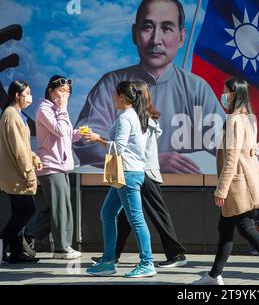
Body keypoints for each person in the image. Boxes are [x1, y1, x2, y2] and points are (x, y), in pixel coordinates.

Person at [74, 0, 225, 173]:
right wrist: (149, 161)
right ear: (134, 34)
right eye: (147, 27)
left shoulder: (197, 89)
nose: (155, 40)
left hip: (184, 191)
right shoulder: (111, 84)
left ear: (182, 37)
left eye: (167, 28)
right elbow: (84, 141)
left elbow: (226, 144)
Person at [193, 77, 259, 285]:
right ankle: (214, 275)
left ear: (235, 94)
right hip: (244, 180)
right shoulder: (249, 118)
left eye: (226, 91)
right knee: (226, 229)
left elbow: (231, 158)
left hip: (238, 184)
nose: (223, 95)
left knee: (245, 227)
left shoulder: (234, 121)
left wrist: (221, 189)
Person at [91, 80, 187, 267]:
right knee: (120, 215)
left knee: (145, 216)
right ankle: (112, 255)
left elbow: (123, 146)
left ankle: (164, 257)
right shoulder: (133, 116)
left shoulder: (137, 118)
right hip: (134, 171)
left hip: (141, 171)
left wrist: (99, 139)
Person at [85, 81, 156, 278]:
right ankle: (108, 261)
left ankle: (147, 262)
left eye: (115, 95)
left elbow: (118, 148)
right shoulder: (131, 115)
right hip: (125, 173)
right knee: (107, 213)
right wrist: (99, 136)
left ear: (122, 97)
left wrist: (97, 139)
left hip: (128, 174)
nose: (112, 98)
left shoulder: (127, 117)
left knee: (136, 218)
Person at [22, 76, 82, 260]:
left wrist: (77, 134)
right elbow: (59, 130)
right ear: (50, 91)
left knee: (54, 208)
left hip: (60, 165)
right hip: (51, 166)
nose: (65, 95)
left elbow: (64, 135)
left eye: (68, 92)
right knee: (61, 208)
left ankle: (26, 238)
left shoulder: (57, 110)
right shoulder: (44, 110)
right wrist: (63, 109)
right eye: (61, 91)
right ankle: (62, 248)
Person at [0, 81, 41, 263]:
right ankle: (2, 240)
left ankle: (16, 251)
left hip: (17, 171)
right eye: (27, 93)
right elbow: (17, 148)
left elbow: (23, 146)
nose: (29, 97)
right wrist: (29, 172)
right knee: (27, 209)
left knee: (19, 210)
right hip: (16, 173)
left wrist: (33, 157)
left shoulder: (16, 114)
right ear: (17, 95)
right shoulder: (11, 115)